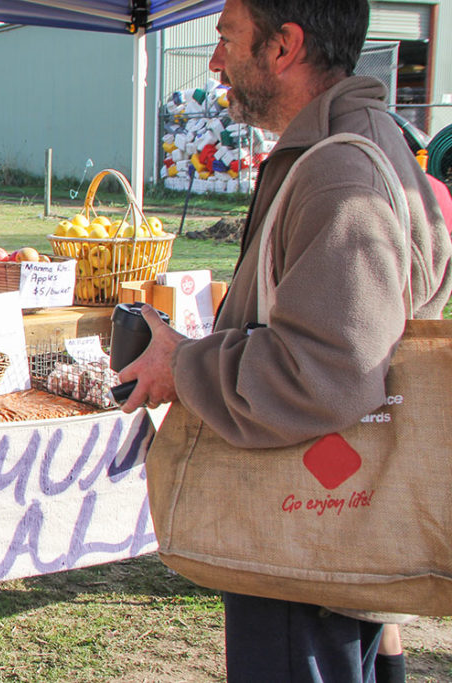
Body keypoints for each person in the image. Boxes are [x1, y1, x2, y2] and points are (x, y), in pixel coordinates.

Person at [117, 0, 452, 680]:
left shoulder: (339, 173)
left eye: (227, 40)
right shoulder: (367, 145)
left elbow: (325, 369)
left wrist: (183, 364)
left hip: (304, 523)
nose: (216, 62)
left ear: (283, 47)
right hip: (339, 510)